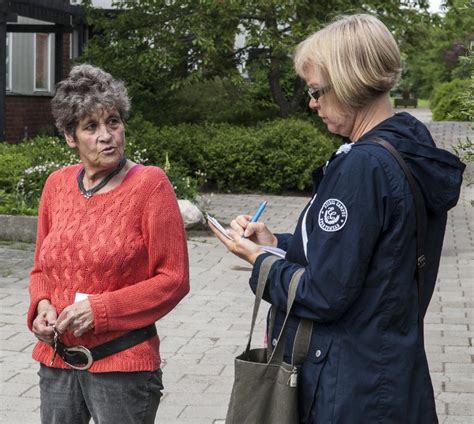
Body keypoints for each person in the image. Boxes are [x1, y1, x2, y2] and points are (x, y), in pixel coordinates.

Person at [209, 14, 465, 423]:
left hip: (349, 386)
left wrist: (260, 261)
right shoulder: (409, 143)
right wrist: (278, 243)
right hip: (390, 370)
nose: (312, 103)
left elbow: (326, 293)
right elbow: (361, 253)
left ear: (349, 81)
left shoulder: (362, 167)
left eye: (316, 91)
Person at [27, 64, 190, 424]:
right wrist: (40, 307)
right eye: (91, 127)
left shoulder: (150, 185)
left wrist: (100, 310)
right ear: (71, 137)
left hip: (122, 365)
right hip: (57, 362)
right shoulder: (56, 185)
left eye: (113, 122)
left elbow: (174, 279)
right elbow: (41, 266)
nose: (107, 136)